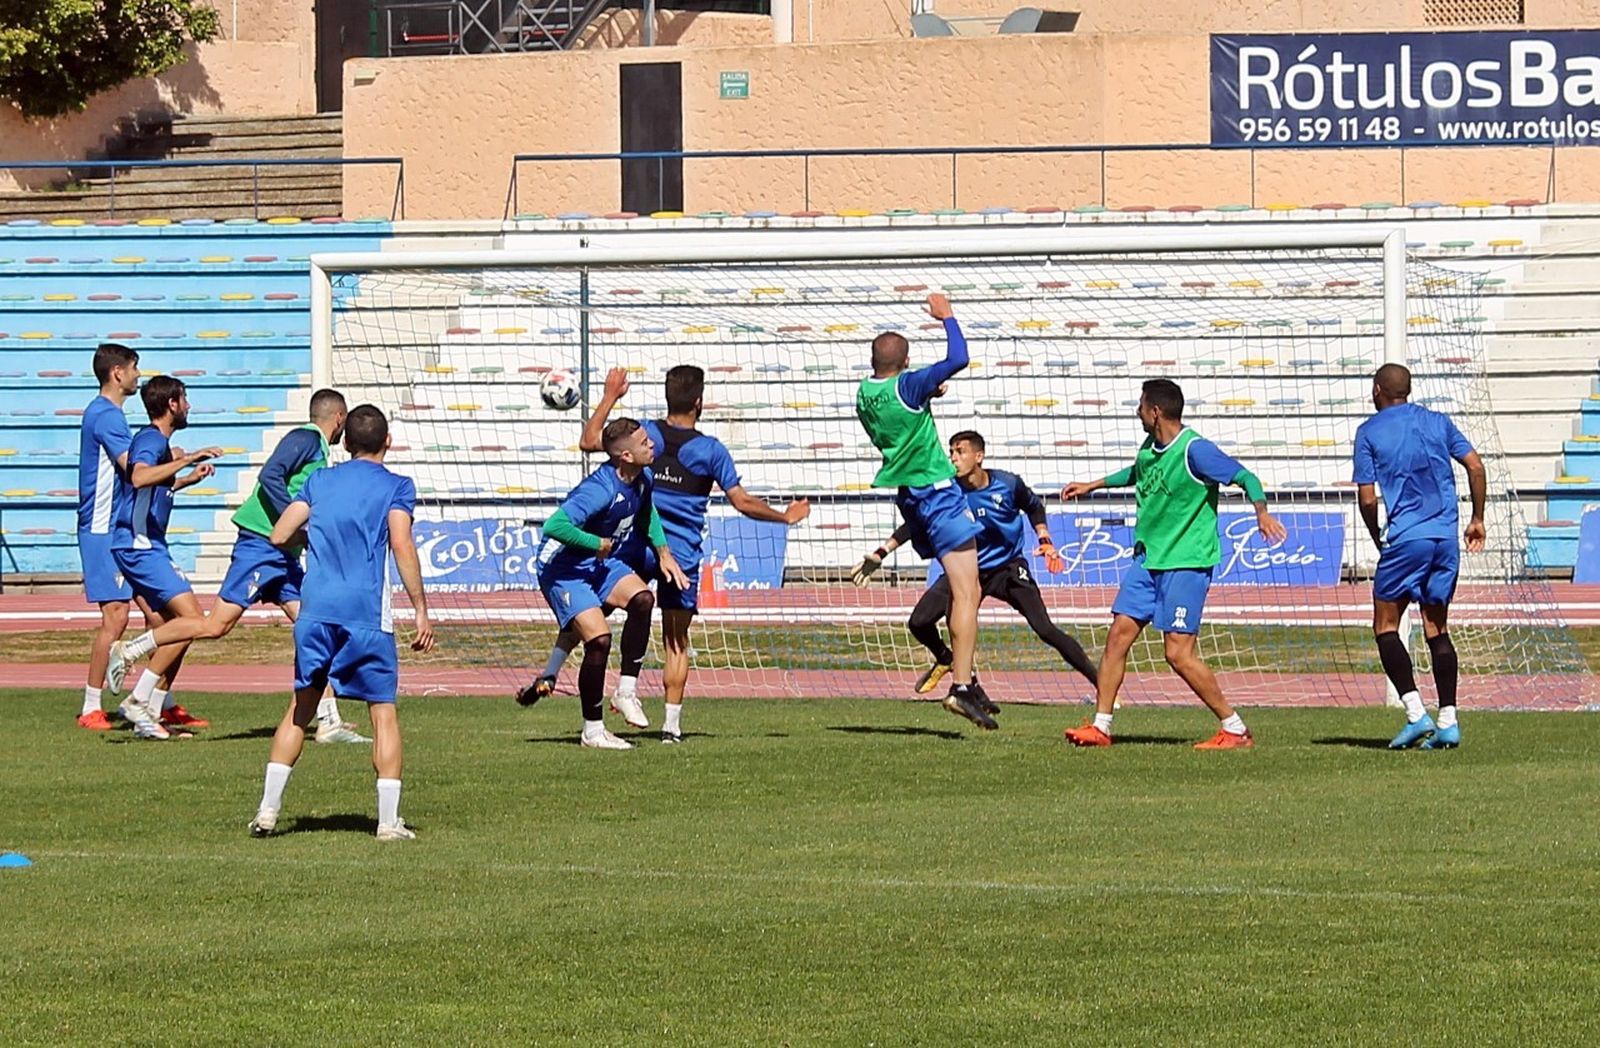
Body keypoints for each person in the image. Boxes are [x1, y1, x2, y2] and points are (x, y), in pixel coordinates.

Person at [528, 365, 810, 743]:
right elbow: (740, 501)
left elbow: (590, 440)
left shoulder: (647, 437)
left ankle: (555, 670)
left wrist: (611, 395)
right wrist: (784, 516)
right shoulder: (708, 450)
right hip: (678, 553)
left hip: (637, 546)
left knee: (595, 615)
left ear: (666, 397)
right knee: (673, 639)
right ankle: (670, 727)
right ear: (699, 402)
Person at [106, 389, 368, 743]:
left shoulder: (318, 449)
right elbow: (270, 475)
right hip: (261, 546)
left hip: (283, 556)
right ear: (338, 418)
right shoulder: (305, 438)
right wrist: (295, 522)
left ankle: (329, 720)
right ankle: (133, 654)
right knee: (215, 625)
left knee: (317, 626)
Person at [1061, 379, 1286, 749]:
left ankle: (1234, 728)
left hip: (1186, 562)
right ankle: (1101, 727)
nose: (1137, 412)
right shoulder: (1150, 447)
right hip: (1148, 560)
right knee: (1118, 637)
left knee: (1177, 653)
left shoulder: (1195, 451)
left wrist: (1261, 512)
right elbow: (1138, 471)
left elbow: (1246, 477)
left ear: (1155, 411)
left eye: (1140, 406)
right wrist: (1094, 484)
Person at [249, 405, 435, 841]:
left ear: (345, 442)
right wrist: (420, 608)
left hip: (315, 609)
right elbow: (401, 544)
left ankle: (268, 812)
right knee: (382, 712)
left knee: (301, 707)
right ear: (387, 442)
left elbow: (279, 534)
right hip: (365, 612)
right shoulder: (396, 486)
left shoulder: (319, 480)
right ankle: (388, 822)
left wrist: (313, 535)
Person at [853, 430, 1097, 703]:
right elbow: (915, 524)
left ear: (978, 456)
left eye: (960, 452)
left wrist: (1045, 538)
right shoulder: (948, 491)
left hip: (1007, 567)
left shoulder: (1007, 484)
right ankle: (949, 662)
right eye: (951, 452)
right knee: (919, 622)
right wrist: (882, 551)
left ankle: (1102, 683)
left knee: (1045, 629)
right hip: (967, 569)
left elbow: (1033, 507)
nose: (953, 458)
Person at [856, 293, 993, 729]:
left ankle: (965, 680)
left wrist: (927, 392)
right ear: (907, 360)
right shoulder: (908, 385)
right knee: (968, 593)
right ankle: (961, 686)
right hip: (938, 495)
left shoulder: (864, 393)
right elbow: (960, 356)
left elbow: (903, 414)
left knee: (960, 592)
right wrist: (947, 317)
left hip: (909, 494)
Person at [521, 417, 690, 749]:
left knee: (643, 600)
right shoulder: (599, 490)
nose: (651, 445)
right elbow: (554, 526)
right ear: (625, 456)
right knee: (598, 640)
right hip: (563, 569)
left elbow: (646, 512)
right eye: (643, 443)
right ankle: (593, 731)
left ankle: (626, 691)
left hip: (598, 563)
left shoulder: (644, 477)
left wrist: (664, 553)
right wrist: (595, 543)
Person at [1354, 363, 1486, 750]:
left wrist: (1377, 535)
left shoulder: (1369, 432)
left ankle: (1415, 714)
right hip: (1445, 538)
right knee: (1436, 627)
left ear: (1378, 390)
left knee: (1385, 625)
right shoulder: (1438, 422)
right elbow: (1475, 466)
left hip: (1407, 538)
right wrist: (1477, 518)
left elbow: (1366, 496)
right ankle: (1449, 720)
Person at [106, 375, 222, 739]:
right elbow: (139, 478)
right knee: (197, 620)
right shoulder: (151, 439)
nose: (188, 406)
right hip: (140, 546)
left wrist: (187, 477)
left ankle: (146, 711)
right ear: (172, 404)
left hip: (144, 544)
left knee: (180, 630)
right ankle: (129, 652)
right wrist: (187, 458)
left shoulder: (158, 444)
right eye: (185, 399)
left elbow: (152, 486)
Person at [74, 343, 141, 730]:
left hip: (116, 525)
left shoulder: (106, 413)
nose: (137, 375)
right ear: (117, 373)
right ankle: (90, 706)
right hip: (101, 527)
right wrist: (173, 460)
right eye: (133, 368)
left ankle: (156, 697)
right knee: (115, 616)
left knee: (155, 610)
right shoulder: (106, 416)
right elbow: (132, 468)